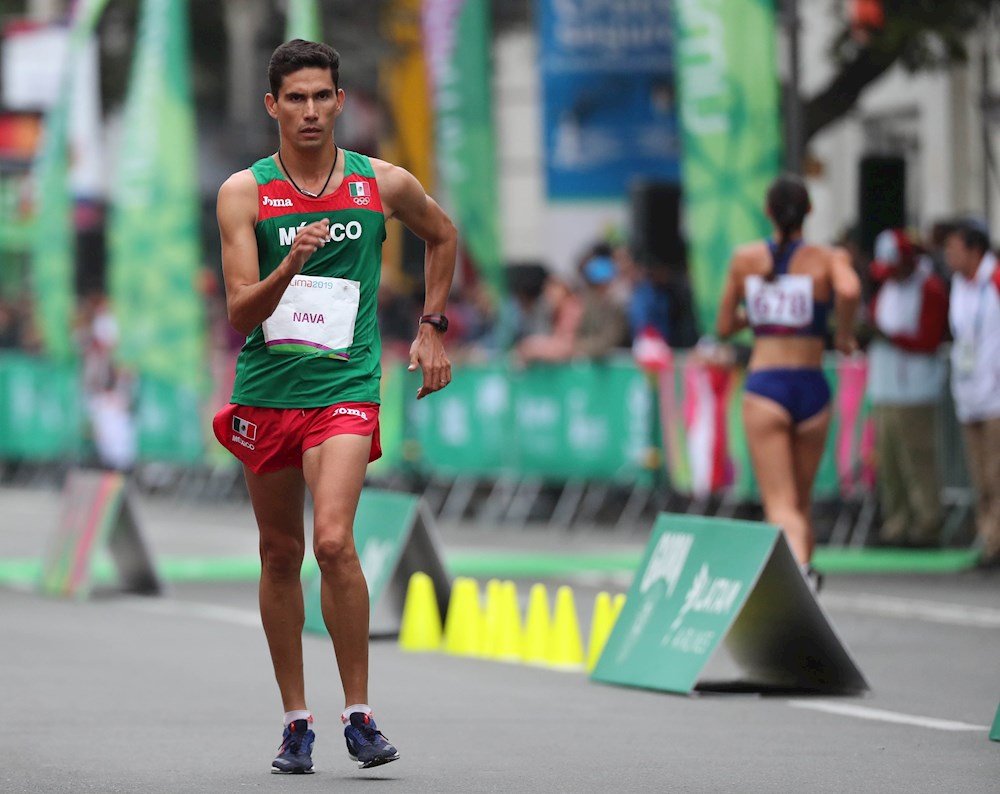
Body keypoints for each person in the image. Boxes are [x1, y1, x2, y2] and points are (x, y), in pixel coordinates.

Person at [212, 40, 457, 774]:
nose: (311, 110)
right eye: (296, 98)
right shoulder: (244, 193)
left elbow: (442, 237)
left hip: (345, 387)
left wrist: (432, 326)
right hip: (267, 391)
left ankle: (359, 715)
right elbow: (237, 314)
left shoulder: (380, 183)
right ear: (272, 107)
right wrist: (288, 264)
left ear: (341, 101)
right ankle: (296, 721)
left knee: (333, 541)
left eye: (323, 96)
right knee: (280, 552)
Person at [716, 174, 860, 591]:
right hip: (812, 388)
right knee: (800, 502)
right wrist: (844, 334)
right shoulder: (827, 258)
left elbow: (724, 325)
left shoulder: (746, 259)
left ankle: (799, 573)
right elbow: (849, 290)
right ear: (809, 212)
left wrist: (758, 315)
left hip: (767, 388)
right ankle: (803, 574)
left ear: (768, 212)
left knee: (780, 504)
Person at [866, 229, 949, 548]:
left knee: (919, 460)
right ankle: (896, 523)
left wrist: (890, 336)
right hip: (885, 388)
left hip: (916, 390)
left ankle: (927, 523)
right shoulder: (886, 289)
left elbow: (928, 339)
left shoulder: (929, 289)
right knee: (889, 461)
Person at [943, 220, 1000, 569]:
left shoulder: (994, 280)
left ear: (975, 250)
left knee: (998, 475)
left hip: (997, 397)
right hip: (969, 395)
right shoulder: (958, 285)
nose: (949, 256)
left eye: (954, 249)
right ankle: (991, 543)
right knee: (980, 480)